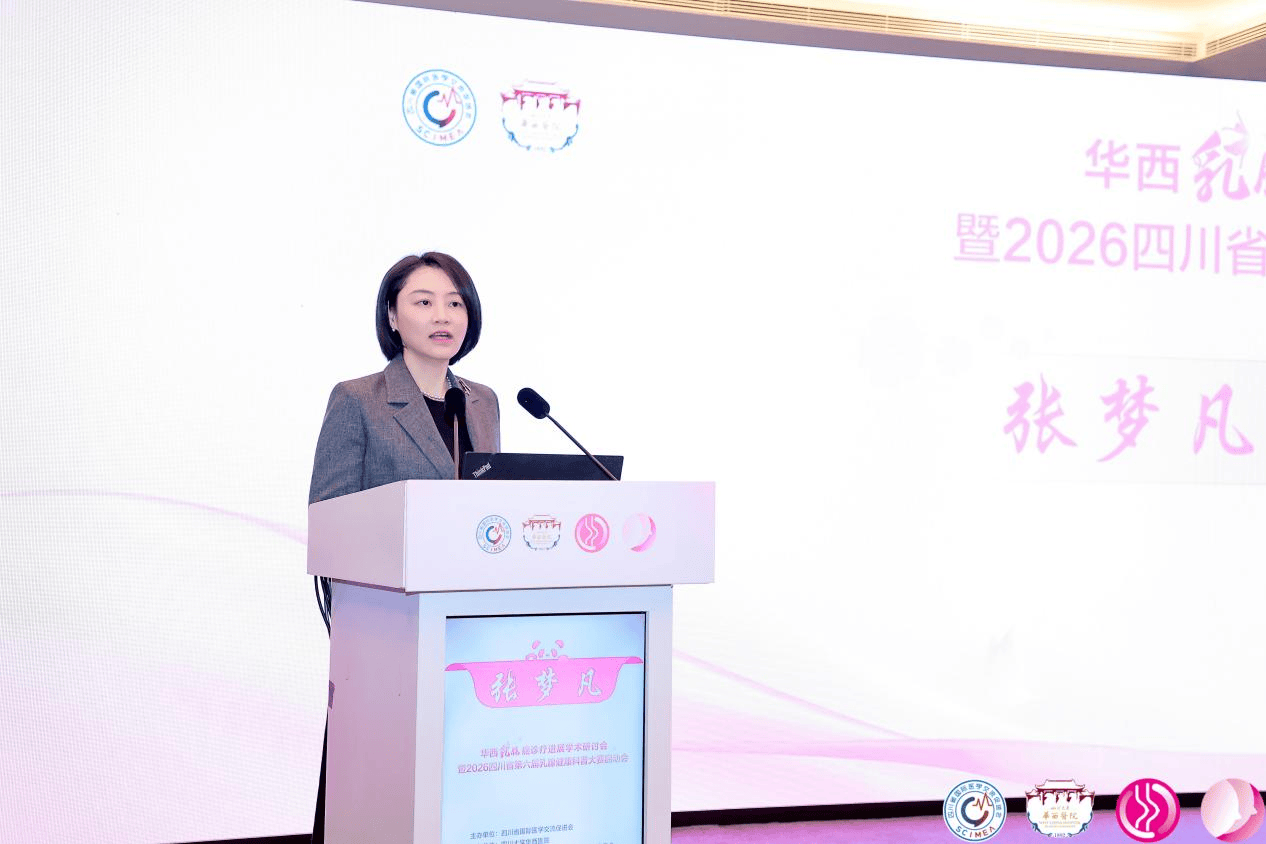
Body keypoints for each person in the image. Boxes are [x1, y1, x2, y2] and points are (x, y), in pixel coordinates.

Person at [307, 251, 500, 843]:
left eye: (455, 302)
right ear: (392, 316)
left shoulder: (483, 402)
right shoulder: (358, 399)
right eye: (424, 302)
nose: (443, 316)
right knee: (369, 783)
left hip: (466, 623)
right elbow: (330, 518)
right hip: (386, 626)